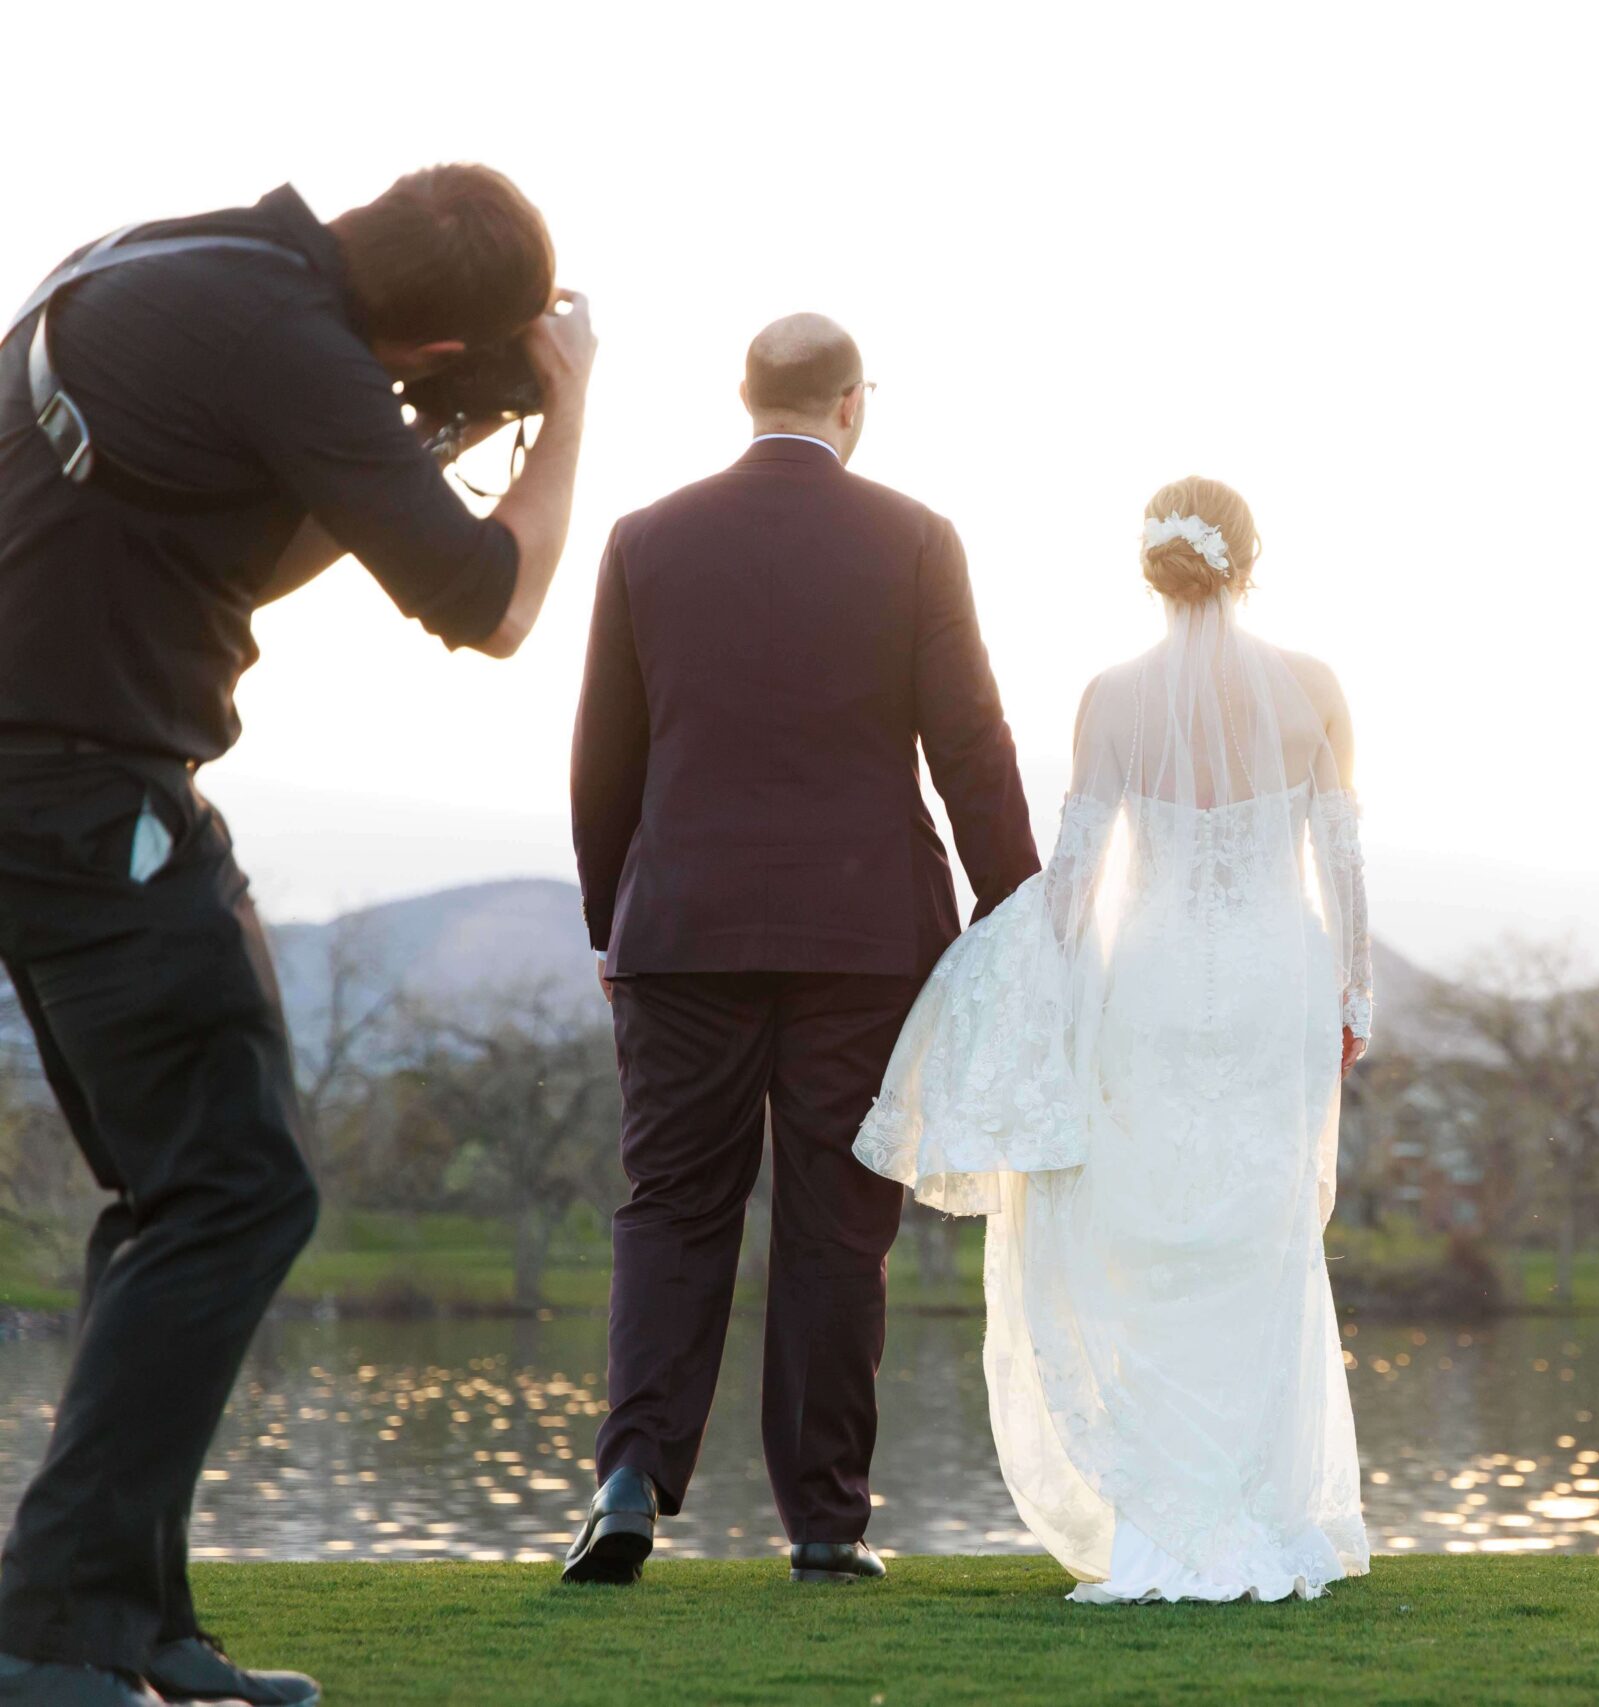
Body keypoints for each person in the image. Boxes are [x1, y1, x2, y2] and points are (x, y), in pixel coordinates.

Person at [0, 166, 597, 1707]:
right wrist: (568, 408)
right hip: (88, 792)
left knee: (180, 1192)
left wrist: (415, 442)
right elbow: (491, 602)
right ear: (445, 348)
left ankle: (132, 1618)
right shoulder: (289, 341)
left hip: (64, 785)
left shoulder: (175, 262)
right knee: (237, 1190)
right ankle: (47, 1628)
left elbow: (231, 539)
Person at [562, 313, 1040, 1587]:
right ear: (851, 403)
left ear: (744, 394)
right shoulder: (916, 538)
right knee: (836, 1225)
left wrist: (613, 921)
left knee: (673, 1204)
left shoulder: (644, 538)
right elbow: (970, 740)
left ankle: (628, 1479)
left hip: (682, 932)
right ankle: (825, 1521)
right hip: (864, 939)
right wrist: (1016, 910)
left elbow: (604, 757)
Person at [857, 476, 1374, 1603]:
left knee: (1150, 1233)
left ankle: (1163, 1517)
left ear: (1153, 568)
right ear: (1250, 560)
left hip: (1148, 983)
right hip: (1275, 983)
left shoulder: (1109, 699)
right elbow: (1341, 857)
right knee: (1261, 1231)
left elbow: (1075, 879)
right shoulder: (1315, 689)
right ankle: (1263, 1508)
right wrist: (1352, 995)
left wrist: (1030, 994)